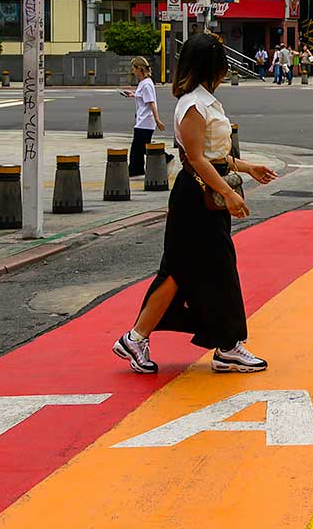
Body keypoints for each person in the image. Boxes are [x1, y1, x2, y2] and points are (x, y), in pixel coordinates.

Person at [113, 33, 277, 377]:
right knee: (195, 270)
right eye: (221, 63)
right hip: (196, 198)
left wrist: (248, 168)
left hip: (204, 195)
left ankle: (142, 338)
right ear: (211, 66)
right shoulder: (193, 105)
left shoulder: (204, 101)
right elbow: (198, 160)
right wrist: (230, 194)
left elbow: (218, 157)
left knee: (185, 272)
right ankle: (226, 346)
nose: (225, 69)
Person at [119, 57, 163, 176]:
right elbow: (144, 98)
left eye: (134, 68)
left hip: (146, 121)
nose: (133, 71)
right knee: (139, 148)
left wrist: (157, 120)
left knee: (138, 149)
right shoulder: (144, 83)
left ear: (139, 69)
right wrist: (133, 95)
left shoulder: (147, 84)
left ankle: (166, 158)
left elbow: (151, 102)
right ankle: (137, 170)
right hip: (142, 120)